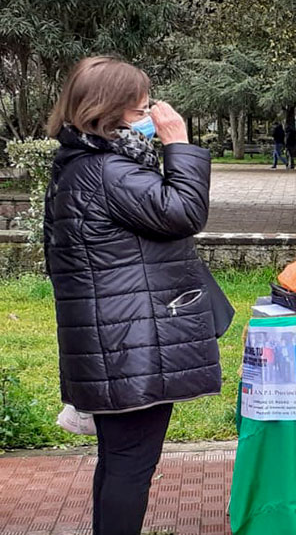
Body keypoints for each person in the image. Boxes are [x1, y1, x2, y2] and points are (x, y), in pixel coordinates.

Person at [43, 56, 223, 535]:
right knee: (130, 466)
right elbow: (183, 212)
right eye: (143, 107)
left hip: (110, 340)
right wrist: (178, 144)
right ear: (112, 111)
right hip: (132, 345)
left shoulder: (74, 166)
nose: (153, 115)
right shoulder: (108, 171)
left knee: (118, 460)